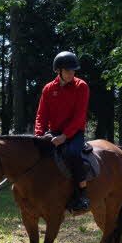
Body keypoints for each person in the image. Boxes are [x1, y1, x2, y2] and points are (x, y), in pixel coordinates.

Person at [35, 50, 91, 212]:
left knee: (72, 154)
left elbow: (80, 117)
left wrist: (64, 137)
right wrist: (39, 135)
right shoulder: (48, 89)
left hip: (74, 133)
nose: (72, 73)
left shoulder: (81, 87)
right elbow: (41, 115)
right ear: (58, 71)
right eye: (68, 70)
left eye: (74, 70)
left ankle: (82, 194)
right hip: (54, 131)